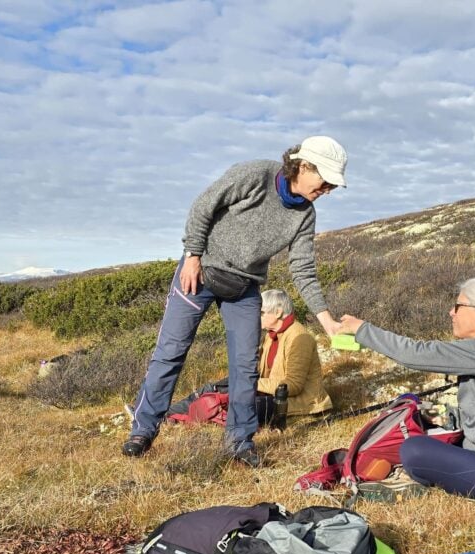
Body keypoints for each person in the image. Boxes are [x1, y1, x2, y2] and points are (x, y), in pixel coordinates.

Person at [123, 137, 348, 465]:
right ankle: (143, 429)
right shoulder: (255, 175)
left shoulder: (305, 215)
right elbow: (204, 206)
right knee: (170, 353)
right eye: (325, 180)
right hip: (199, 274)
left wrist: (325, 318)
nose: (328, 189)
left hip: (243, 288)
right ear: (303, 166)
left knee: (245, 367)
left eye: (333, 185)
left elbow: (302, 268)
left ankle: (240, 443)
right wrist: (192, 254)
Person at [338, 277, 475, 502]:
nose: (451, 312)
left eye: (458, 306)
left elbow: (418, 353)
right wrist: (438, 415)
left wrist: (362, 329)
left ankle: (408, 482)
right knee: (419, 428)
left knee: (414, 450)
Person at [166, 288, 333, 423]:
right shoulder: (271, 335)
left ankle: (179, 416)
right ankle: (167, 413)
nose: (256, 316)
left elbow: (293, 385)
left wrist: (250, 383)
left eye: (261, 312)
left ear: (278, 312)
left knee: (231, 404)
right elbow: (259, 370)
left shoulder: (299, 337)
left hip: (299, 402)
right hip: (268, 391)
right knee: (212, 389)